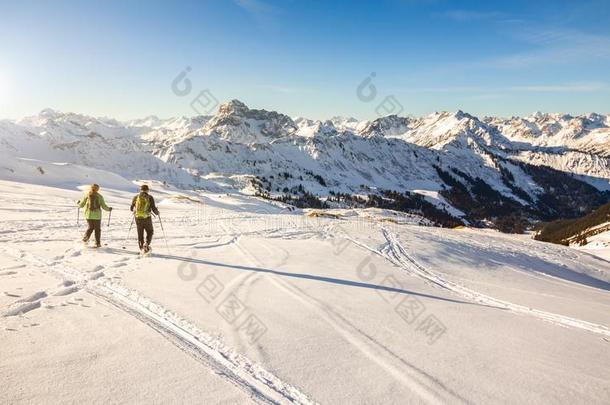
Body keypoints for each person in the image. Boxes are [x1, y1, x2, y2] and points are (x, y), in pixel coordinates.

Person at [78, 183, 112, 248]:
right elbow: (104, 206)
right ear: (97, 189)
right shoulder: (100, 196)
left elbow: (81, 205)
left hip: (88, 215)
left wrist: (78, 203)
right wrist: (109, 209)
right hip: (97, 215)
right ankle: (97, 243)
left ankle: (85, 238)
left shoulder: (87, 195)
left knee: (90, 227)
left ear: (91, 188)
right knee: (97, 229)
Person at [130, 184, 160, 253]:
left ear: (140, 190)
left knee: (140, 234)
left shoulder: (136, 197)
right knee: (150, 231)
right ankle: (146, 243)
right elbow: (153, 208)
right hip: (147, 218)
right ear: (147, 190)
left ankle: (142, 249)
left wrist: (135, 210)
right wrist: (157, 212)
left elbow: (131, 208)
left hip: (138, 218)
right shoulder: (150, 197)